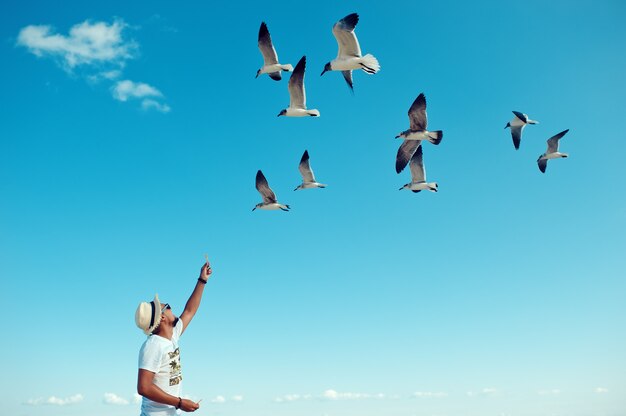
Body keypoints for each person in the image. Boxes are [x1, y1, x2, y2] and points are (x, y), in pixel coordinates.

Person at [134, 261, 212, 415]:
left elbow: (190, 310)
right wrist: (180, 402)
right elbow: (143, 387)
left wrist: (202, 280)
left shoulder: (172, 336)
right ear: (162, 318)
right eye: (168, 306)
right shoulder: (153, 345)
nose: (172, 308)